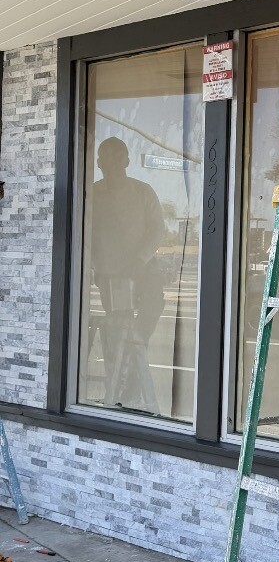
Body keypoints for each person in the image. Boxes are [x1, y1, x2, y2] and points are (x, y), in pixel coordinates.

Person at [89, 137, 167, 411]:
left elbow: (158, 229)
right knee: (116, 332)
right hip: (110, 275)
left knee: (152, 307)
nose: (111, 162)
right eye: (105, 157)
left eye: (116, 156)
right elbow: (85, 234)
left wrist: (139, 260)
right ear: (98, 162)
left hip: (143, 269)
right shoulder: (93, 194)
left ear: (126, 160)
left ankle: (133, 366)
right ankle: (120, 389)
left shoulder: (142, 191)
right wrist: (95, 266)